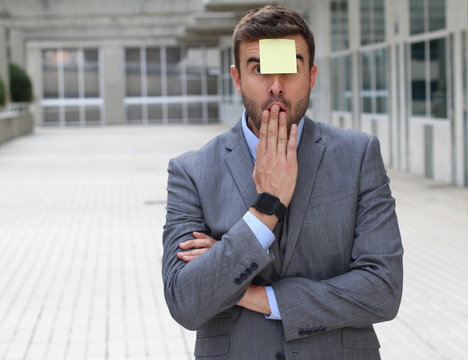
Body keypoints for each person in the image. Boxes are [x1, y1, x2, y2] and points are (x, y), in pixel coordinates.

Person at [162, 5, 403, 360]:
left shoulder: (357, 155)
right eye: (260, 68)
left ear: (312, 75)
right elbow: (186, 301)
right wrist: (265, 210)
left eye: (290, 67)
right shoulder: (192, 171)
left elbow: (383, 290)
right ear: (237, 77)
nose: (276, 86)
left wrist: (250, 294)